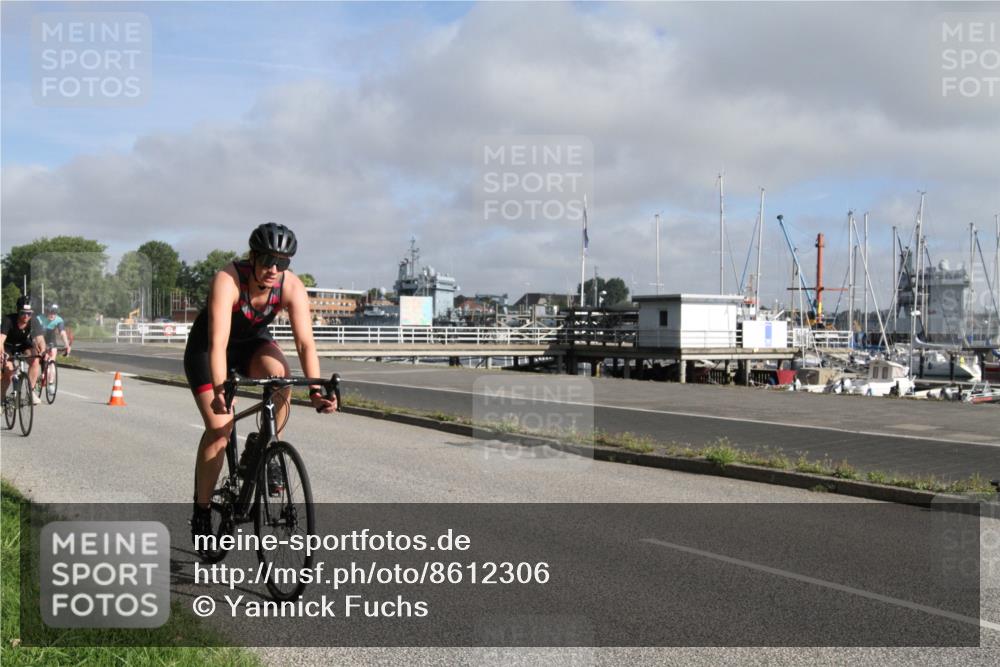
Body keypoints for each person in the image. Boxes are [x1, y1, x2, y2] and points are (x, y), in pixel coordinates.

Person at [184, 223, 337, 541]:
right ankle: (202, 511)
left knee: (282, 377)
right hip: (210, 349)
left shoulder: (291, 286)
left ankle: (264, 444)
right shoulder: (228, 279)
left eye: (282, 262)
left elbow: (305, 344)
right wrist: (220, 390)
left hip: (253, 344)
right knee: (220, 430)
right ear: (253, 257)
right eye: (267, 260)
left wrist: (316, 391)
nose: (273, 269)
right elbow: (218, 342)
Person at [1, 296, 45, 405]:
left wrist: (43, 350)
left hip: (23, 344)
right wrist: (2, 353)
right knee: (9, 373)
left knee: (35, 360)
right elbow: (1, 340)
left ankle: (31, 392)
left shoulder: (34, 320)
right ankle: (1, 399)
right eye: (23, 313)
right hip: (8, 346)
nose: (26, 316)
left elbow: (40, 339)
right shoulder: (8, 319)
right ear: (18, 311)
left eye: (29, 313)